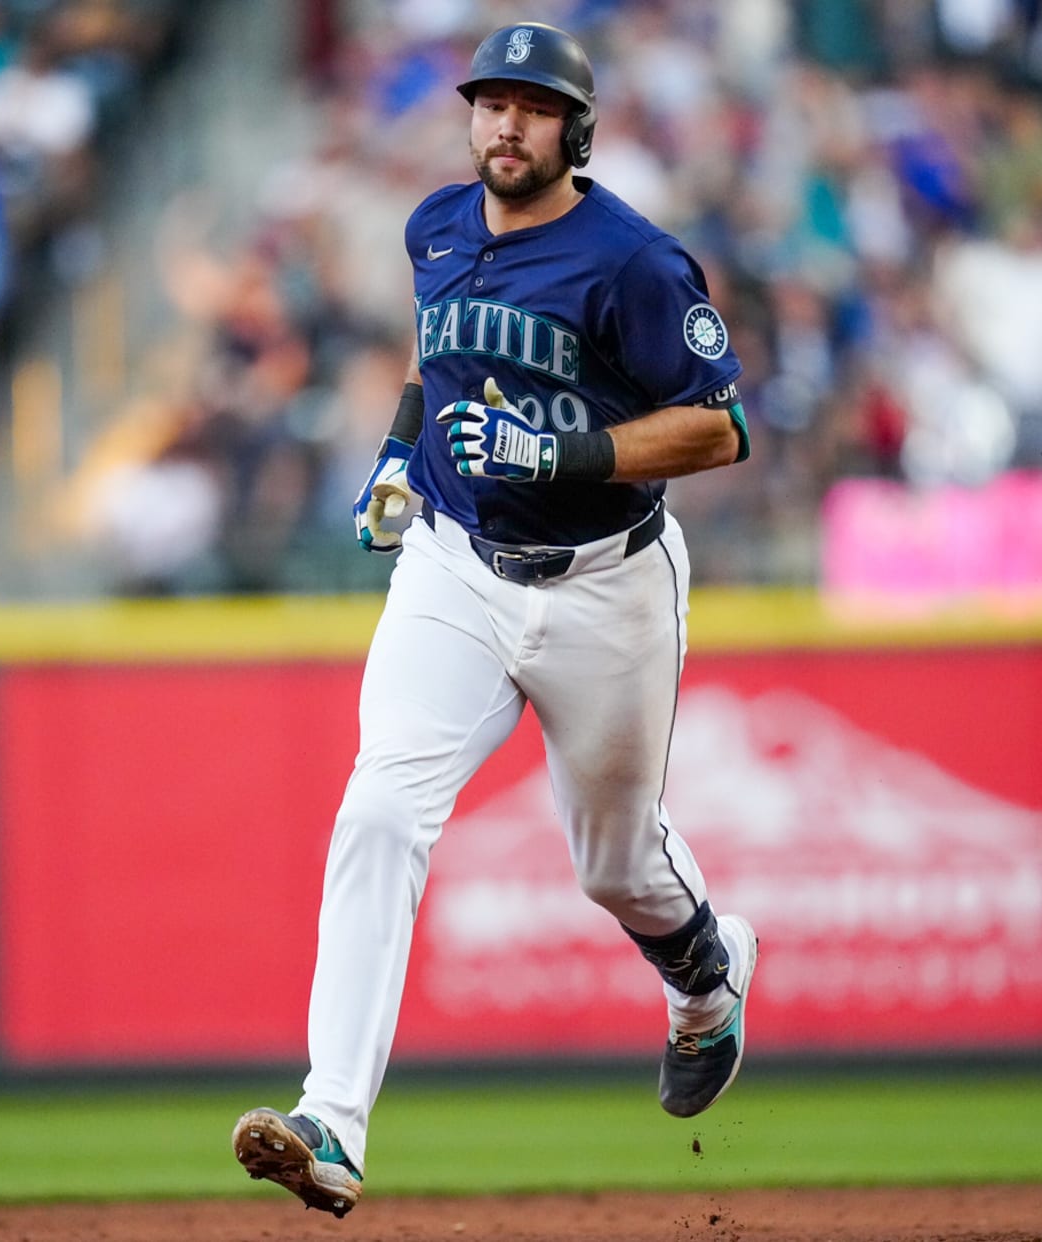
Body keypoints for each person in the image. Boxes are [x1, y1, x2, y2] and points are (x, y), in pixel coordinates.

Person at [230, 22, 759, 1217]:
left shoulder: (633, 261)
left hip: (607, 582)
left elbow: (722, 425)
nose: (503, 125)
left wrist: (565, 444)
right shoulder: (437, 226)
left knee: (614, 867)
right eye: (489, 103)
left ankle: (708, 979)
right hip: (455, 566)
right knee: (379, 809)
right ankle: (333, 1122)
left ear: (575, 128)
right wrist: (398, 452)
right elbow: (441, 356)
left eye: (529, 107)